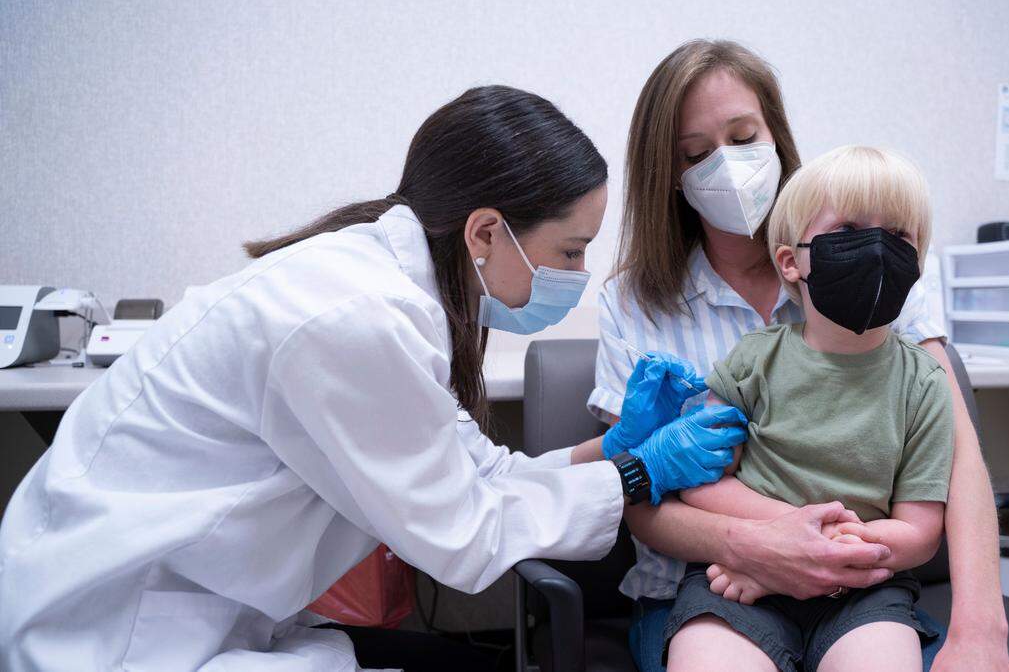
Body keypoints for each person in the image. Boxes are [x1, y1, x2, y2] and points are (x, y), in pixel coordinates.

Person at [0, 85, 746, 672]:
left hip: (187, 608)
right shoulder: (354, 318)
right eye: (572, 250)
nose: (580, 275)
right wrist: (638, 474)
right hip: (116, 636)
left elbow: (478, 472)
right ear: (486, 232)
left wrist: (613, 450)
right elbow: (466, 532)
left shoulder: (389, 294)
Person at [587, 40, 1009, 671]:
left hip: (862, 586)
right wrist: (767, 547)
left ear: (776, 135)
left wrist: (982, 631)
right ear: (667, 176)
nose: (727, 166)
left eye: (744, 135)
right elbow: (641, 493)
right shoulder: (635, 303)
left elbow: (958, 453)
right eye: (696, 155)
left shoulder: (881, 278)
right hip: (715, 582)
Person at [665, 145, 953, 672]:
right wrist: (782, 543)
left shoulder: (925, 383)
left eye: (899, 236)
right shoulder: (751, 362)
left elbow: (919, 533)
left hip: (865, 588)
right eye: (848, 230)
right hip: (741, 572)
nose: (877, 248)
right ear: (791, 262)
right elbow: (702, 483)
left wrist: (831, 555)